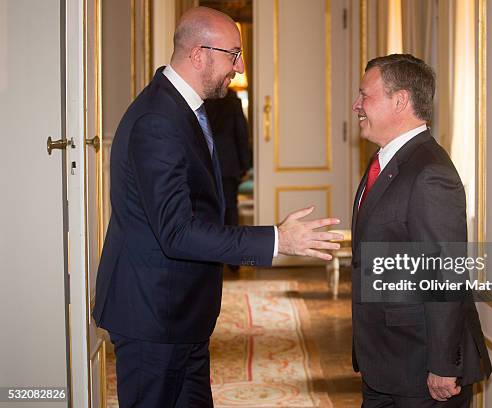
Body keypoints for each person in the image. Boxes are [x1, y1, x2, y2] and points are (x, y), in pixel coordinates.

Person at [93, 7, 342, 408]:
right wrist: (277, 239)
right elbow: (177, 232)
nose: (240, 67)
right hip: (153, 316)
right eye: (233, 54)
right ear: (198, 54)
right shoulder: (158, 119)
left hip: (180, 313)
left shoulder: (183, 109)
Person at [350, 54, 492, 407]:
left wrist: (443, 365)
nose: (356, 106)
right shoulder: (386, 160)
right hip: (386, 360)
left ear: (400, 101)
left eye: (365, 95)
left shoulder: (430, 173)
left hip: (421, 368)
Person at [204, 89, 251, 230]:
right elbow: (241, 133)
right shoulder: (232, 100)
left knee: (208, 206)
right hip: (228, 163)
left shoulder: (201, 96)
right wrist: (245, 165)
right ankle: (232, 244)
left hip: (205, 161)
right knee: (230, 206)